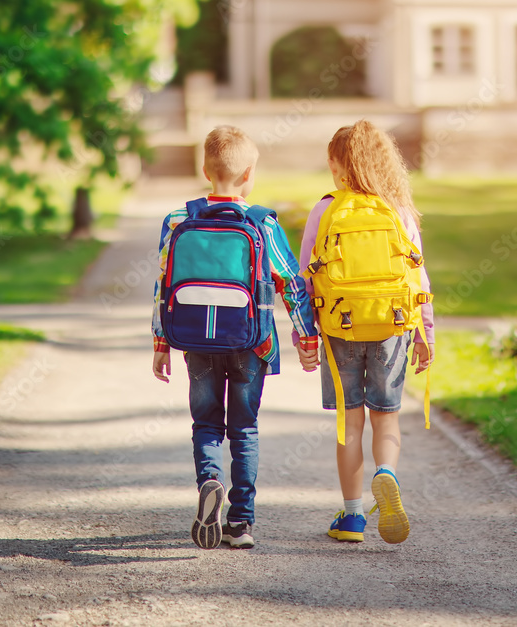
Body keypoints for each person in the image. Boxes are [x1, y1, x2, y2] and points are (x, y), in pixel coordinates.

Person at [152, 126, 319, 549]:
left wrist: (161, 343)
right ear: (249, 175)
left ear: (205, 169)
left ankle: (210, 481)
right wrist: (307, 339)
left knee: (206, 423)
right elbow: (289, 284)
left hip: (196, 341)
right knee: (244, 429)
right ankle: (241, 522)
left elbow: (162, 285)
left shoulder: (178, 220)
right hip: (251, 343)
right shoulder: (261, 223)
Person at [297, 120, 435, 544]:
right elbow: (418, 278)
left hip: (341, 326)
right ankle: (387, 473)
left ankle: (353, 517)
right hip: (392, 326)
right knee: (386, 419)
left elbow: (305, 279)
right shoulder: (398, 210)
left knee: (350, 424)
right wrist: (425, 333)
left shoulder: (325, 210)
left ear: (339, 166)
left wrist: (305, 337)